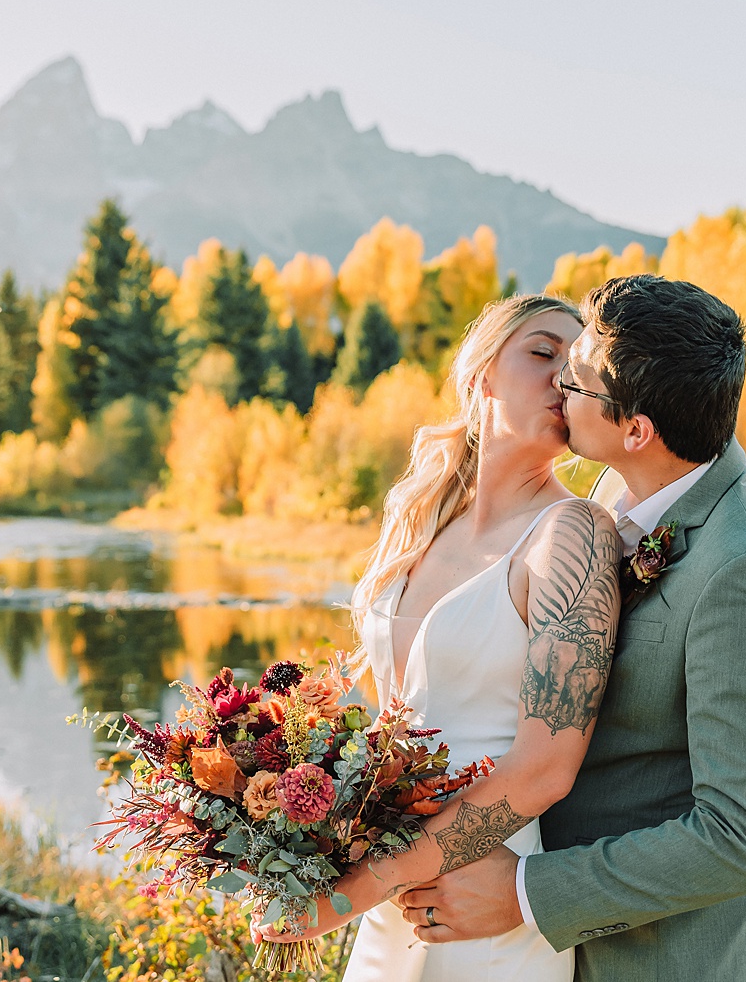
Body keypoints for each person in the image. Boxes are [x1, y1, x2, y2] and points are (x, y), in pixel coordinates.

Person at [391, 275, 746, 981]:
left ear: (636, 429)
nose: (561, 383)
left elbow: (743, 839)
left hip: (676, 958)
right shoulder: (614, 493)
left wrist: (525, 894)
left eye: (580, 378)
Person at [260, 293, 623, 982]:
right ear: (483, 373)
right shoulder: (422, 522)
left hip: (476, 899)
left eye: (575, 369)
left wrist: (353, 890)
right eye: (542, 353)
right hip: (389, 898)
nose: (561, 380)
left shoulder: (572, 535)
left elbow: (545, 769)